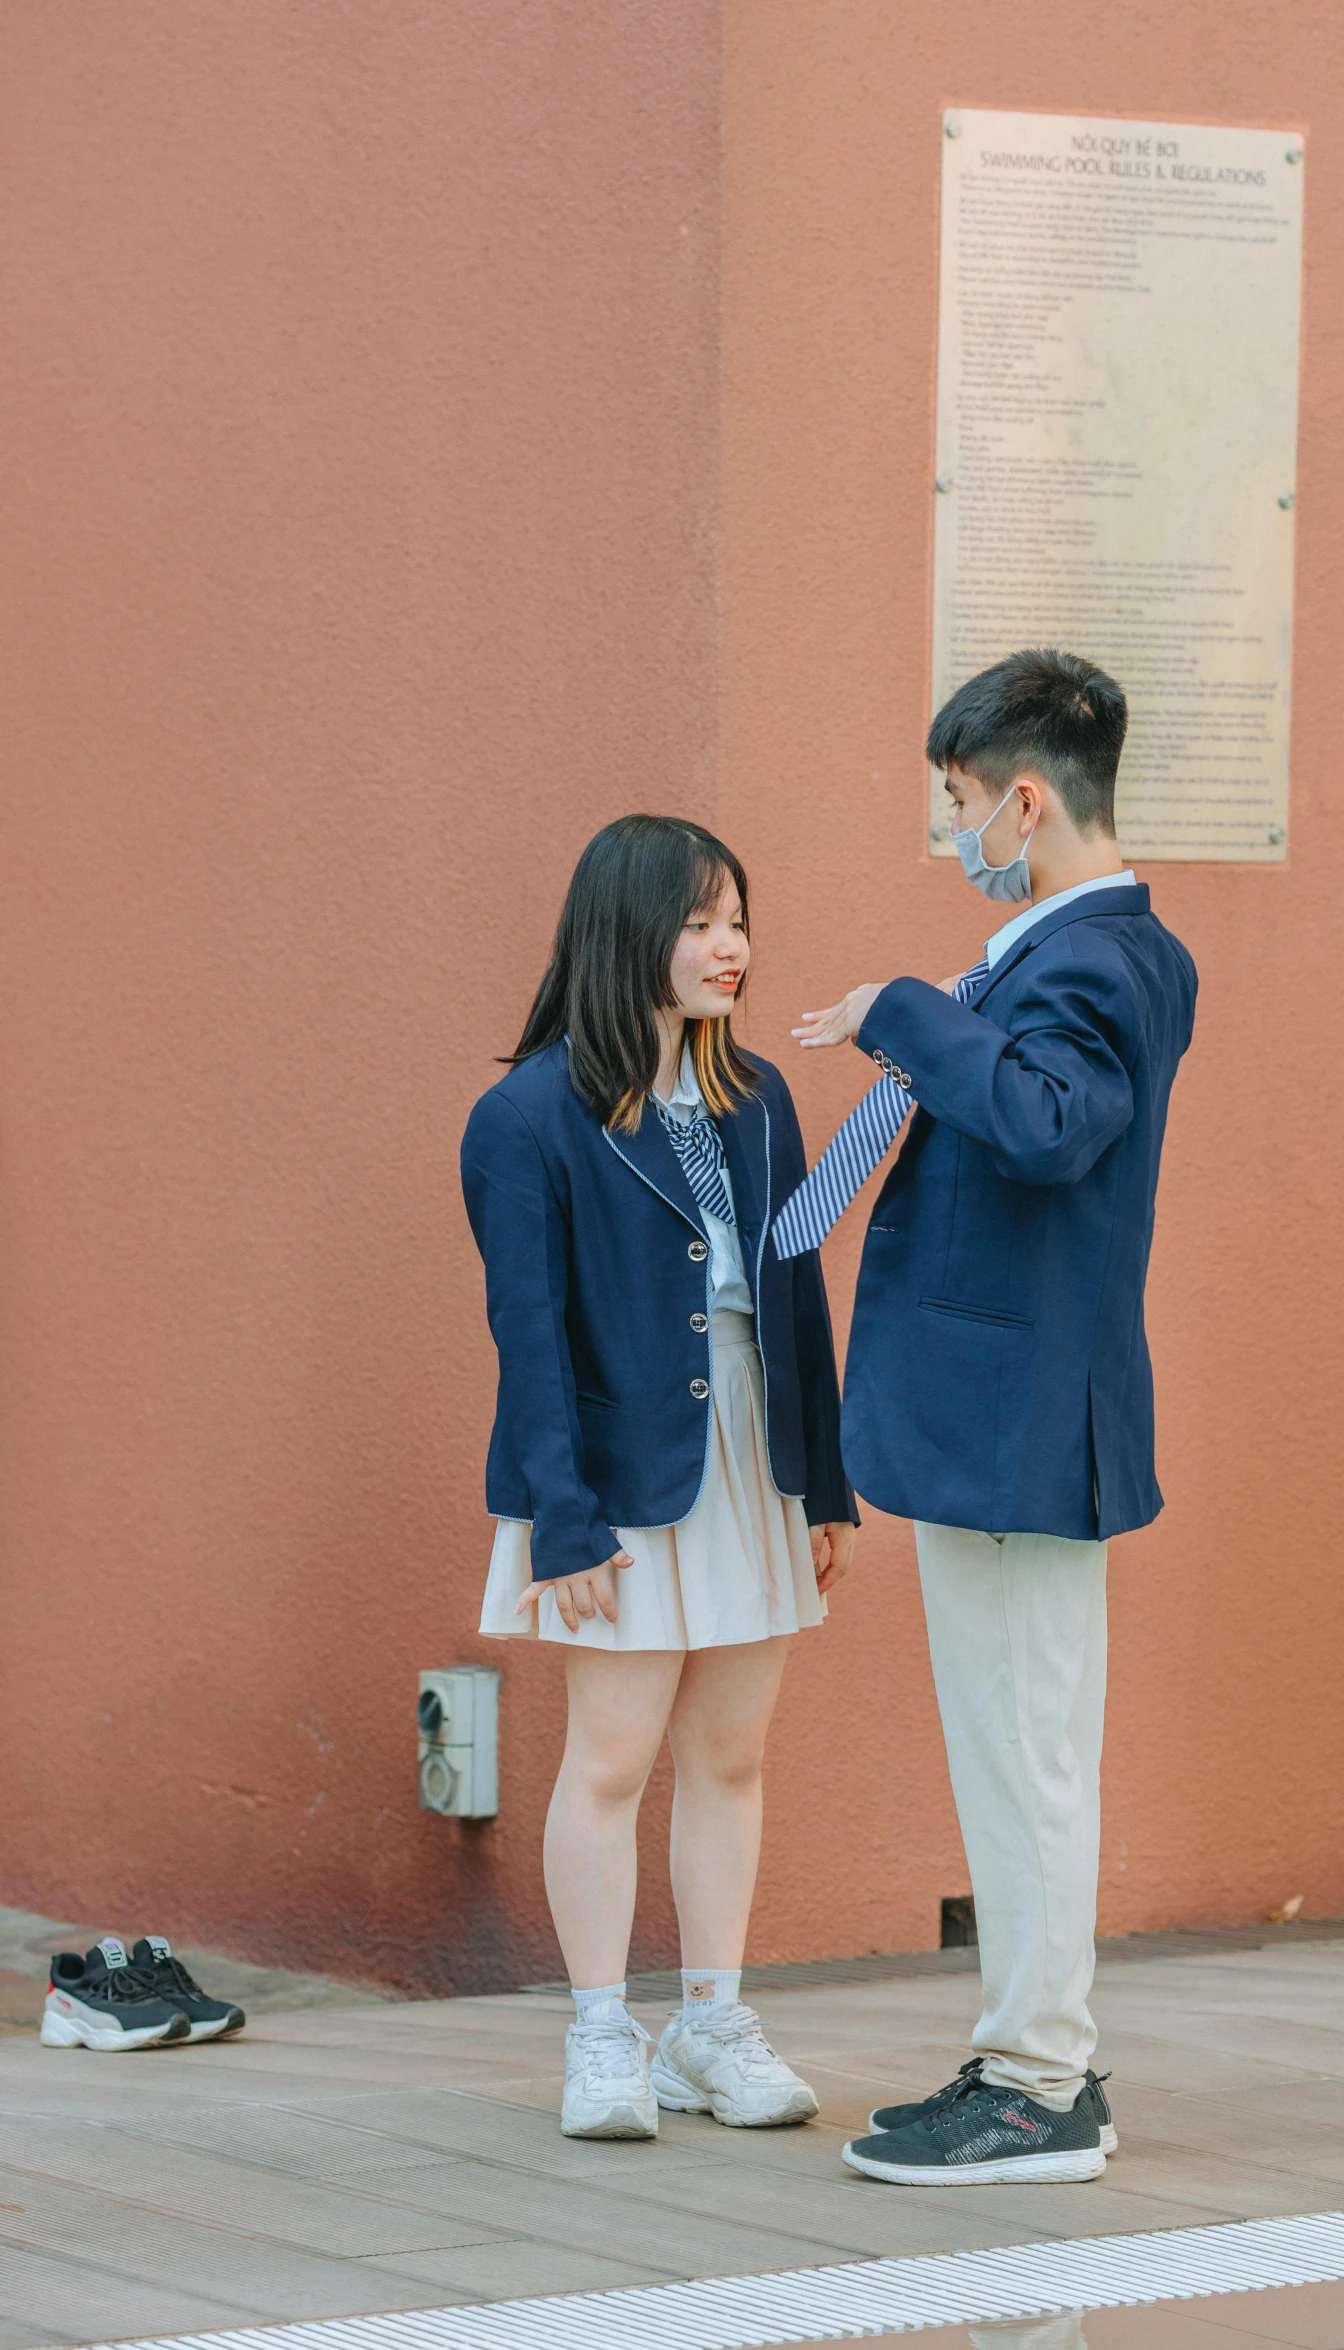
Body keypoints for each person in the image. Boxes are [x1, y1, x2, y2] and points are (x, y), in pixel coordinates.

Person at [780, 648, 1196, 2186]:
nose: (950, 835)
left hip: (1017, 1425)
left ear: (1024, 799)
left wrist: (900, 1006)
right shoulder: (1067, 951)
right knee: (1019, 1747)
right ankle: (1031, 2051)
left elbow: (1044, 1124)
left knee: (1021, 1753)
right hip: (1006, 1421)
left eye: (956, 805)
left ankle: (1038, 2081)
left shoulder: (1094, 957)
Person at [460, 815, 857, 2139]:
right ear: (626, 933)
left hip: (751, 1455)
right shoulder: (525, 1114)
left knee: (731, 1753)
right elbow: (527, 1332)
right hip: (609, 1472)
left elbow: (793, 1292)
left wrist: (826, 1482)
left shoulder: (757, 1100)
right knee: (614, 1754)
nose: (727, 944)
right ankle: (597, 2030)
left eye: (735, 917)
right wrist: (560, 1520)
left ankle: (710, 2022)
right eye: (696, 921)